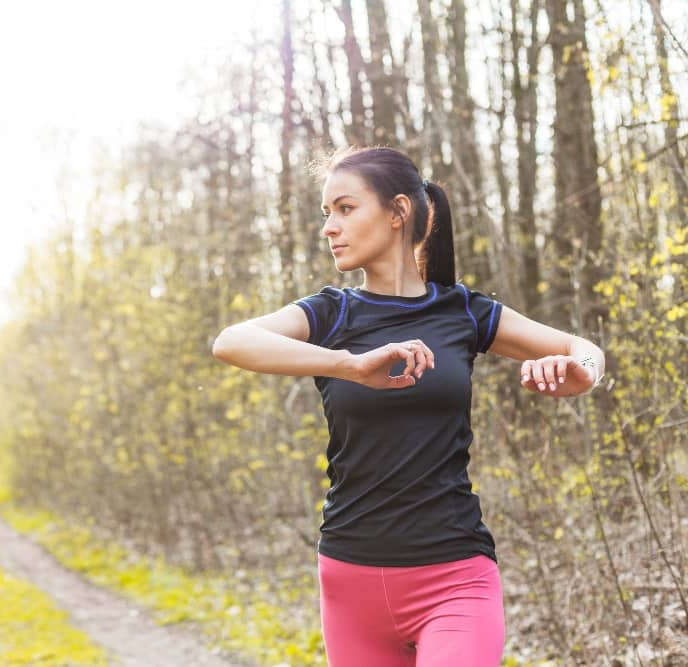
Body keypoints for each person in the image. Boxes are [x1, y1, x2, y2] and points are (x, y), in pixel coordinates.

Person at [211, 146, 606, 667]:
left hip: (455, 575)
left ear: (398, 212)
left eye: (345, 209)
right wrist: (348, 365)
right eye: (326, 212)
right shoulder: (331, 313)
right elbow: (230, 341)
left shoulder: (462, 311)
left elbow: (583, 349)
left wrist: (580, 375)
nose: (329, 226)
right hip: (351, 578)